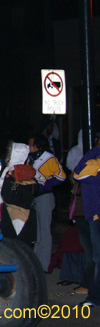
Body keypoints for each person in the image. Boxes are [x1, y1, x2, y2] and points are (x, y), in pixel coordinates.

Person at [28, 132, 66, 270]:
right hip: (34, 197)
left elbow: (61, 176)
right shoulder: (30, 159)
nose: (29, 147)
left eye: (31, 144)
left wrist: (44, 186)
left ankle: (43, 265)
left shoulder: (49, 158)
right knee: (37, 232)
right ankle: (36, 262)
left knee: (44, 231)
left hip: (45, 197)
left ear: (38, 145)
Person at [73, 131, 100, 308]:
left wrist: (94, 151)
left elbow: (77, 173)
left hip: (97, 216)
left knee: (98, 258)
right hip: (95, 215)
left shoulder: (95, 164)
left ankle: (95, 297)